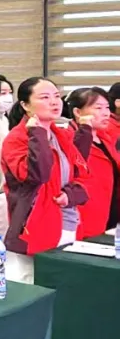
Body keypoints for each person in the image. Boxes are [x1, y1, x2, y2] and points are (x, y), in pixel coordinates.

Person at [1, 78, 89, 266]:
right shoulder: (16, 139)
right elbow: (37, 175)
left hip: (67, 222)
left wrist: (70, 195)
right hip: (36, 228)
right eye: (45, 97)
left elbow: (82, 174)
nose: (54, 102)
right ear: (25, 105)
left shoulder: (62, 135)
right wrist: (37, 134)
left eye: (56, 96)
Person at [66, 87, 119, 238]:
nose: (105, 113)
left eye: (107, 107)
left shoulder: (105, 137)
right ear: (78, 112)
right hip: (84, 212)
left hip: (108, 207)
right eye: (98, 108)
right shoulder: (69, 139)